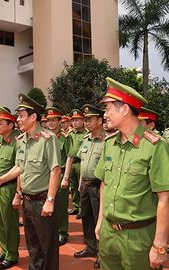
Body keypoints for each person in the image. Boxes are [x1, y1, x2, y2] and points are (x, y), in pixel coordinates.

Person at [94, 77, 169, 270]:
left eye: (108, 108)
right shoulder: (110, 144)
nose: (105, 114)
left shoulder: (155, 146)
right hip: (108, 233)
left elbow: (165, 198)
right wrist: (101, 221)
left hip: (138, 237)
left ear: (124, 109)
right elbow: (104, 185)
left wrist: (160, 245)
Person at [0, 94, 62, 270]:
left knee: (47, 247)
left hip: (42, 201)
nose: (18, 120)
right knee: (33, 245)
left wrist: (50, 200)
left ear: (33, 117)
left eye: (21, 116)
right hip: (27, 201)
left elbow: (56, 170)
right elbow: (19, 168)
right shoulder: (22, 140)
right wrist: (1, 180)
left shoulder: (48, 139)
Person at [74, 104, 105, 269]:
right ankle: (90, 247)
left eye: (90, 119)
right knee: (86, 217)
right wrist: (80, 184)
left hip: (98, 186)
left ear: (100, 120)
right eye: (85, 119)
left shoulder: (107, 140)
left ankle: (101, 253)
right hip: (85, 185)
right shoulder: (86, 139)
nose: (86, 122)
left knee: (99, 219)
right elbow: (82, 163)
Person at [0, 107, 20, 270]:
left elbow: (20, 168)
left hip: (8, 187)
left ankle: (12, 254)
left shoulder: (17, 142)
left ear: (11, 125)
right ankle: (4, 250)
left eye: (0, 123)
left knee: (10, 223)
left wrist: (18, 194)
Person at [45, 107, 71, 246]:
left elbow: (69, 157)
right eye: (48, 120)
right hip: (46, 175)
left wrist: (66, 177)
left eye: (54, 120)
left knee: (60, 205)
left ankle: (63, 232)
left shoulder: (65, 138)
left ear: (60, 121)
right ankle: (51, 230)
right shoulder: (45, 137)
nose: (50, 123)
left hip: (59, 174)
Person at [62, 109, 87, 219]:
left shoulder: (87, 133)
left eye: (77, 120)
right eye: (73, 120)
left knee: (81, 187)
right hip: (71, 162)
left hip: (81, 163)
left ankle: (82, 208)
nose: (75, 122)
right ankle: (76, 206)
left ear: (83, 120)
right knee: (73, 186)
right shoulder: (71, 134)